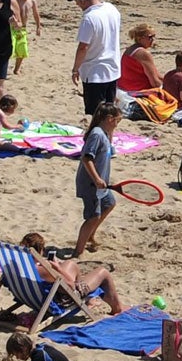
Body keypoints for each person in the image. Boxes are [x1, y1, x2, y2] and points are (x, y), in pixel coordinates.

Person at [75, 99, 124, 255]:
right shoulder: (96, 134)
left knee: (109, 203)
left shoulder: (103, 133)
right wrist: (96, 179)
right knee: (93, 217)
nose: (117, 124)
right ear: (109, 119)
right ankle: (78, 252)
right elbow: (86, 158)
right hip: (91, 184)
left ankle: (91, 235)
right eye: (117, 121)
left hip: (100, 183)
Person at [68, 0, 122, 115]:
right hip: (113, 69)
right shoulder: (111, 9)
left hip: (95, 73)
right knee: (109, 114)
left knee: (95, 114)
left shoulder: (89, 18)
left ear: (83, 1)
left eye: (77, 2)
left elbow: (83, 47)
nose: (77, 5)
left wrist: (75, 69)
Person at [118, 22, 165, 96]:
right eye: (150, 37)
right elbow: (155, 83)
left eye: (154, 36)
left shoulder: (130, 49)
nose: (153, 39)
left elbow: (156, 74)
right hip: (138, 91)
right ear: (140, 38)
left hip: (124, 87)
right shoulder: (144, 54)